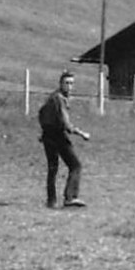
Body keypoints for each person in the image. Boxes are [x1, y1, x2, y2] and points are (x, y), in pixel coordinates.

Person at [39, 70, 91, 209]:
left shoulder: (52, 97)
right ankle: (70, 197)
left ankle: (51, 201)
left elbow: (41, 113)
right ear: (60, 84)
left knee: (53, 168)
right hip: (57, 136)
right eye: (67, 83)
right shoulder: (59, 99)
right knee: (75, 165)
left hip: (47, 136)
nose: (69, 86)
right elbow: (66, 124)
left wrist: (44, 129)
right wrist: (82, 134)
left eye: (72, 83)